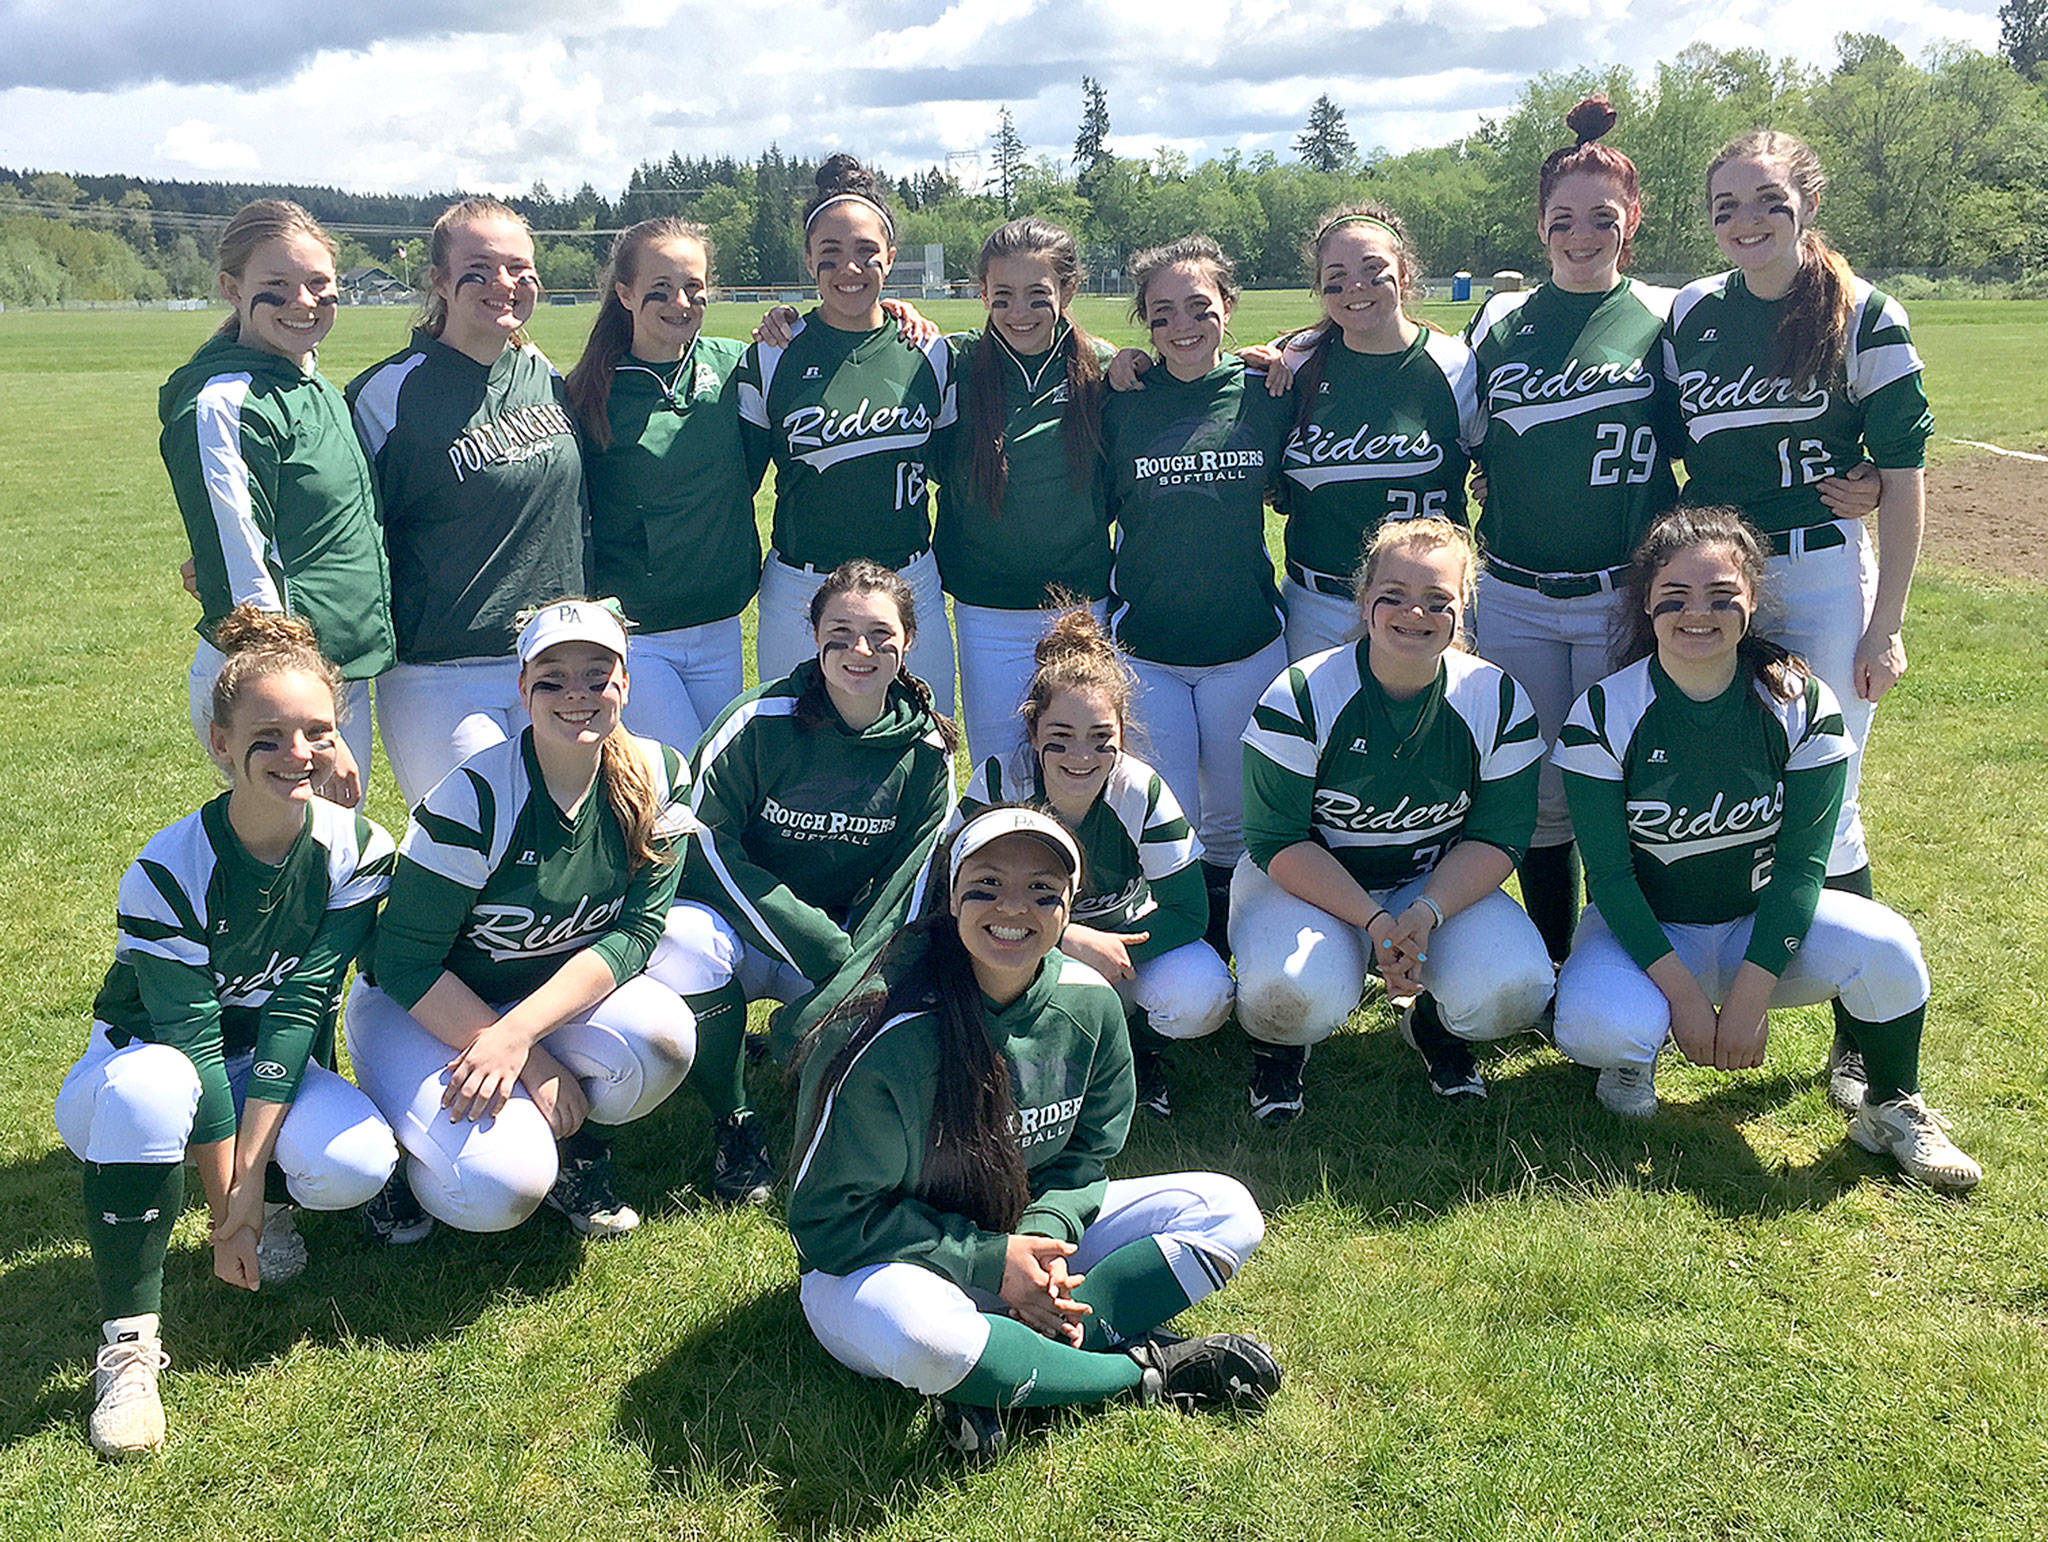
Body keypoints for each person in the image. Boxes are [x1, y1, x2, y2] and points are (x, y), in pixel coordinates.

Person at [1465, 97, 1881, 969]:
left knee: (1626, 780)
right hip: (1516, 593)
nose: (1582, 235)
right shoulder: (1497, 322)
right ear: (1539, 224)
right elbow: (1442, 412)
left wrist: (1856, 468)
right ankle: (1557, 968)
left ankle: (1636, 956)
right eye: (1563, 218)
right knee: (1542, 792)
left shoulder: (1668, 316)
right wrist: (1300, 349)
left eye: (1602, 217)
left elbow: (1739, 425)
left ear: (1633, 220)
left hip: (1631, 592)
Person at [786, 805, 1280, 1461]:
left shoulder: (1090, 1002)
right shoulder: (883, 1029)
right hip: (886, 1270)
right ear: (951, 897)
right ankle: (1142, 1374)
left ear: (1069, 908)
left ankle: (1011, 1366)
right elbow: (824, 1222)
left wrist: (1044, 1242)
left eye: (1042, 891)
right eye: (987, 885)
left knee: (1228, 1212)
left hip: (1021, 1235)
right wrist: (990, 1261)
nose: (1014, 908)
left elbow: (1086, 1159)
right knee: (928, 1342)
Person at [1550, 506, 1979, 1193]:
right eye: (1676, 596)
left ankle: (1891, 1105)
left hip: (1757, 926)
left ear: (1753, 601)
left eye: (1722, 595)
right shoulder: (1604, 711)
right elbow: (1610, 878)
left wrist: (1750, 997)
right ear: (1646, 603)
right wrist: (1687, 1002)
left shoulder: (1799, 701)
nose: (1699, 613)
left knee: (1890, 948)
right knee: (1598, 1025)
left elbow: (1805, 868)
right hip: (1652, 931)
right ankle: (1632, 1057)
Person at [55, 607, 400, 1458]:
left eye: (317, 731)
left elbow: (298, 1011)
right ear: (219, 743)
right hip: (136, 1070)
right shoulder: (169, 866)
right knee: (158, 1086)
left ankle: (274, 1205)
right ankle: (128, 1349)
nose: (297, 753)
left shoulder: (359, 849)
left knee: (359, 1162)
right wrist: (226, 1208)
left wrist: (249, 1193)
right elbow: (193, 1041)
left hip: (257, 1064)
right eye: (267, 736)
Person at [1664, 127, 1925, 1107]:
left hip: (1816, 575)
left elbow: (1903, 478)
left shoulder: (1863, 313)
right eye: (1725, 206)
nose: (1746, 221)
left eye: (1768, 200)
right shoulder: (1691, 311)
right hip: (1712, 578)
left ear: (1806, 204)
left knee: (1828, 794)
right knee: (1718, 775)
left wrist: (1884, 623)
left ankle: (1860, 1041)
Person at [347, 600, 706, 1243]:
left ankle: (573, 1146)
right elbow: (403, 962)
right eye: (552, 678)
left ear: (625, 684)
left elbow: (636, 934)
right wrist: (530, 1058)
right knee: (499, 1189)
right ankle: (402, 1151)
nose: (577, 695)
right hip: (419, 1006)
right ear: (523, 689)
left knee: (661, 1040)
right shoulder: (475, 797)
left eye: (597, 676)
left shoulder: (660, 774)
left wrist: (520, 1035)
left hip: (528, 1006)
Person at [1232, 517, 1554, 1122]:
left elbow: (1499, 837)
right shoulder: (1302, 692)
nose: (1415, 613)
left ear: (1464, 608)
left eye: (1438, 599)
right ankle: (1281, 1045)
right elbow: (1275, 841)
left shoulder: (1496, 697)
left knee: (1516, 990)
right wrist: (1376, 921)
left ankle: (1433, 1025)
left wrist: (1425, 913)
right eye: (1395, 595)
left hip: (1426, 885)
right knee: (1289, 994)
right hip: (1303, 889)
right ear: (1364, 600)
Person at [674, 560, 957, 1203]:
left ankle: (817, 1064)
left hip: (847, 941)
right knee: (684, 945)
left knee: (926, 990)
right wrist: (822, 948)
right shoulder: (758, 722)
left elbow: (909, 887)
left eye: (881, 635)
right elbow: (701, 843)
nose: (862, 651)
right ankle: (734, 1121)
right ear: (814, 636)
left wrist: (851, 981)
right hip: (747, 929)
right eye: (842, 633)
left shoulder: (927, 752)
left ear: (909, 641)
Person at [346, 198, 587, 808]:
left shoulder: (543, 375)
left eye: (520, 269)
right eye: (479, 269)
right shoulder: (386, 394)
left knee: (562, 835)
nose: (504, 284)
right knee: (473, 837)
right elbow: (334, 519)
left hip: (554, 661)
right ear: (438, 280)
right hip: (441, 674)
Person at [948, 607, 1232, 1119]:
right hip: (1020, 938)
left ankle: (1134, 1054)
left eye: (1101, 737)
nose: (1081, 755)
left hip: (1124, 939)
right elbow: (944, 895)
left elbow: (1190, 911)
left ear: (1122, 733)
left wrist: (1114, 952)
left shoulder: (1138, 788)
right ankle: (1010, 1062)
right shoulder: (999, 783)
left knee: (1201, 994)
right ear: (1033, 731)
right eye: (1061, 735)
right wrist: (1066, 942)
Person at [159, 199, 392, 801]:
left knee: (329, 847)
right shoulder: (225, 401)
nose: (303, 301)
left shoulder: (309, 383)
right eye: (278, 285)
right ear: (231, 289)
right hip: (275, 682)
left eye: (318, 282)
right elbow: (244, 576)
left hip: (328, 673)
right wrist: (302, 725)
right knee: (297, 848)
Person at [1101, 235, 1294, 949]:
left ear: (1228, 308)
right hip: (1147, 646)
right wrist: (1113, 362)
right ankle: (1185, 948)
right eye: (1161, 314)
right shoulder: (1120, 401)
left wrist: (1284, 355)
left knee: (1237, 821)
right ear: (1144, 324)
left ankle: (1239, 941)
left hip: (1245, 641)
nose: (1181, 326)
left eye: (1199, 307)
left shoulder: (1269, 391)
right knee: (1168, 812)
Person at [735, 156, 957, 710]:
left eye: (865, 252)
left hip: (908, 580)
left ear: (891, 257)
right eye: (830, 254)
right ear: (809, 259)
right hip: (802, 588)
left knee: (924, 732)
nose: (849, 269)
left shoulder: (929, 352)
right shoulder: (772, 354)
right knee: (795, 738)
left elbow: (953, 469)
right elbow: (737, 483)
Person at [565, 218, 759, 753]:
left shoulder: (735, 365)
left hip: (722, 622)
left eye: (693, 286)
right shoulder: (588, 392)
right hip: (640, 634)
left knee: (718, 774)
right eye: (661, 288)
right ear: (625, 294)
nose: (680, 302)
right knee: (680, 777)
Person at [1271, 202, 1483, 661]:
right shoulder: (1293, 361)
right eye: (1338, 275)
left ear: (1404, 274)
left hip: (1422, 608)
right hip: (1316, 604)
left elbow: (1502, 468)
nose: (1356, 287)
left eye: (1373, 270)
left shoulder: (1455, 365)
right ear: (1320, 287)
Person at [934, 217, 1113, 760]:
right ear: (982, 293)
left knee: (1079, 761)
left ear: (1068, 290)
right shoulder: (954, 363)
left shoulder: (1104, 367)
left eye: (1038, 295)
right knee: (999, 766)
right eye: (1002, 296)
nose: (1019, 313)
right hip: (986, 608)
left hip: (1082, 606)